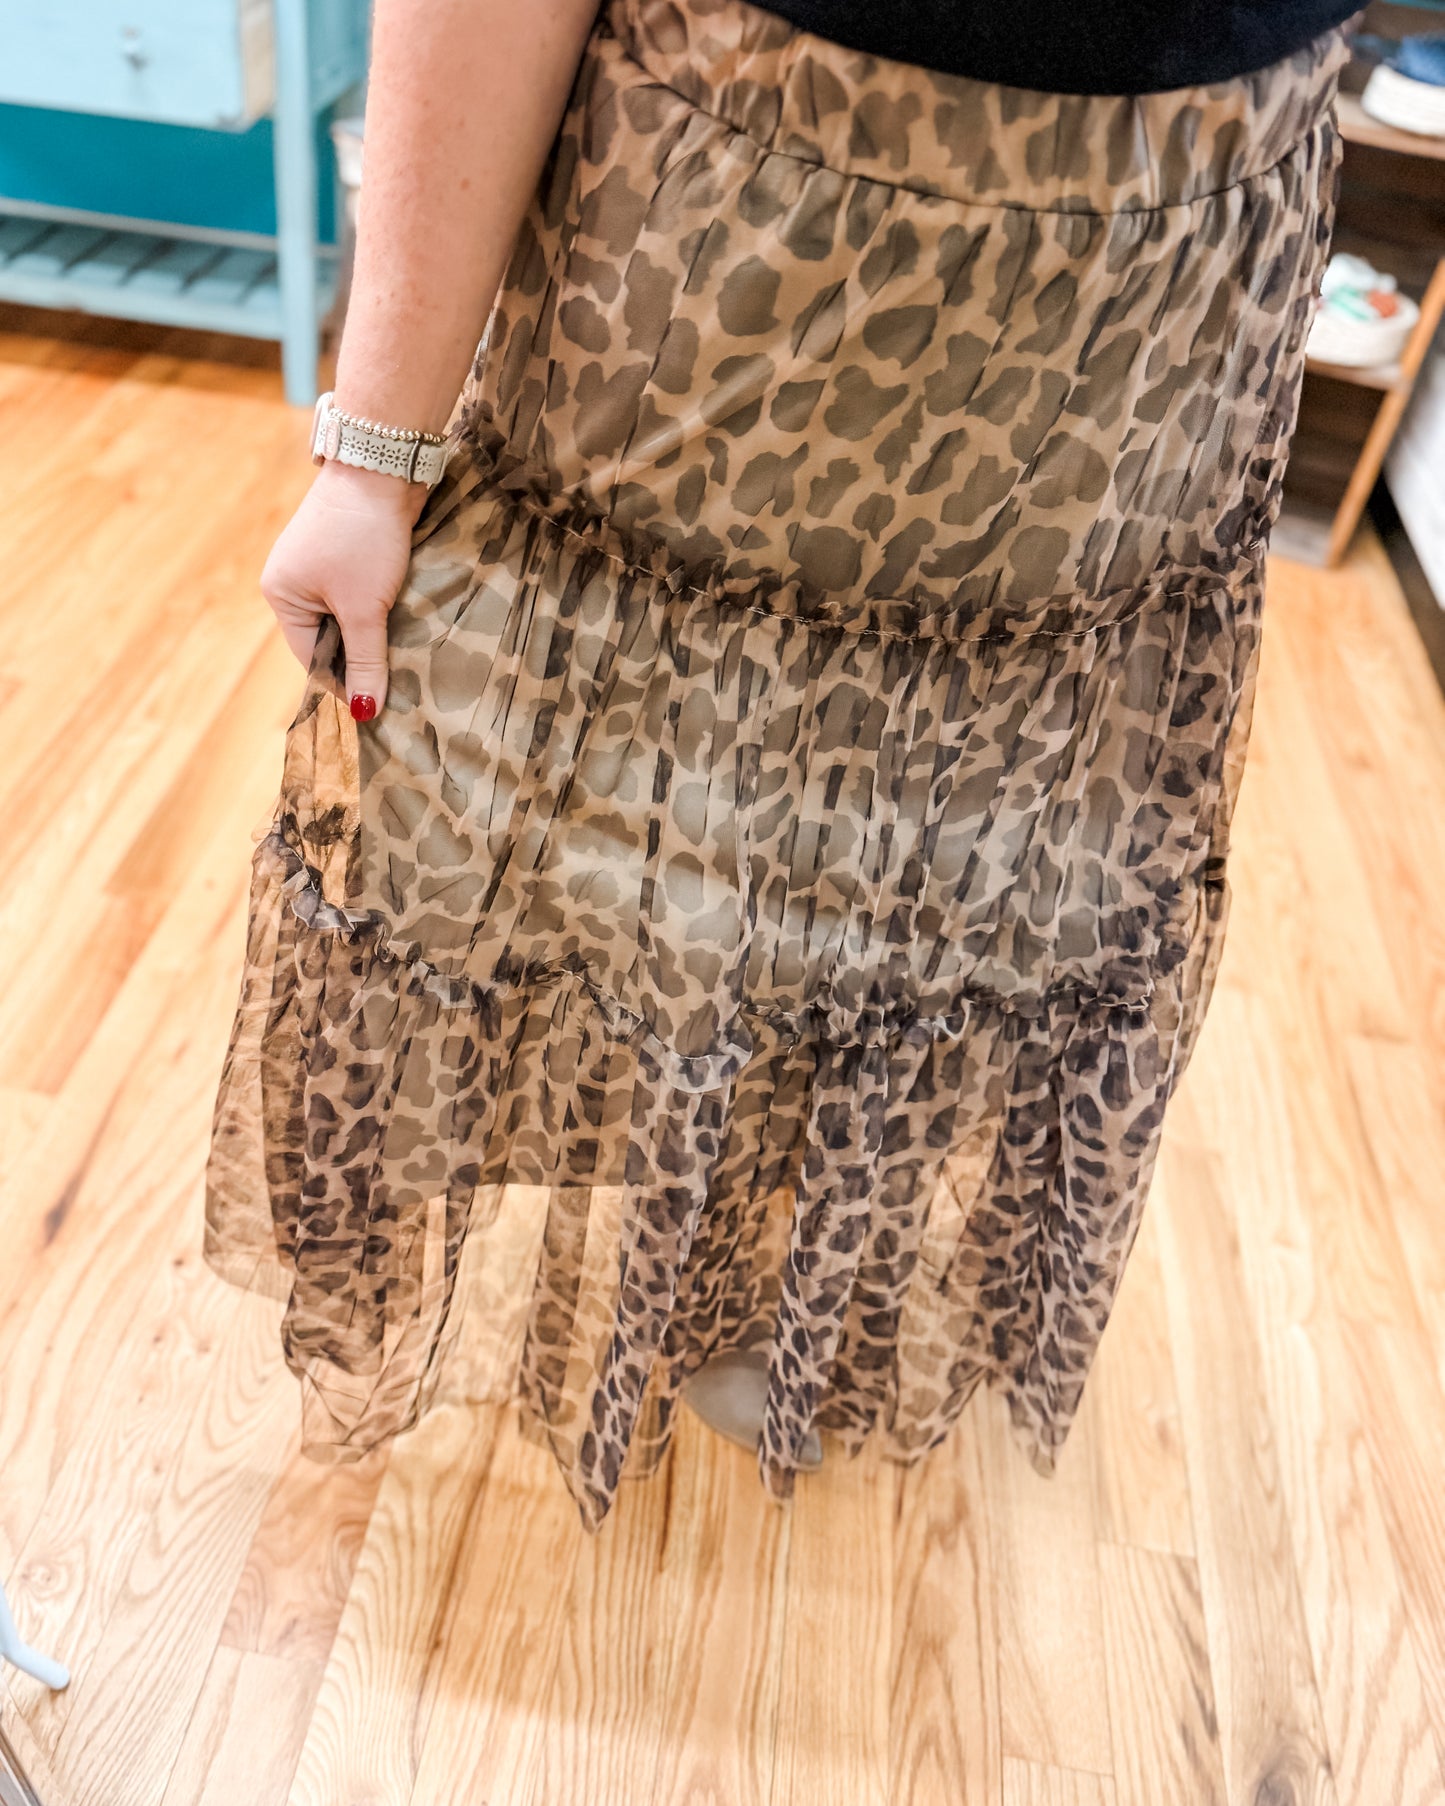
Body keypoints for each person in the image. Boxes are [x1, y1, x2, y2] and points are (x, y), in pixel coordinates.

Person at [203, 0, 1360, 1530]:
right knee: (648, 811)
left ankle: (771, 1250)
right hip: (760, 218)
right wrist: (371, 460)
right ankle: (681, 1227)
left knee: (980, 842)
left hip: (1173, 255)